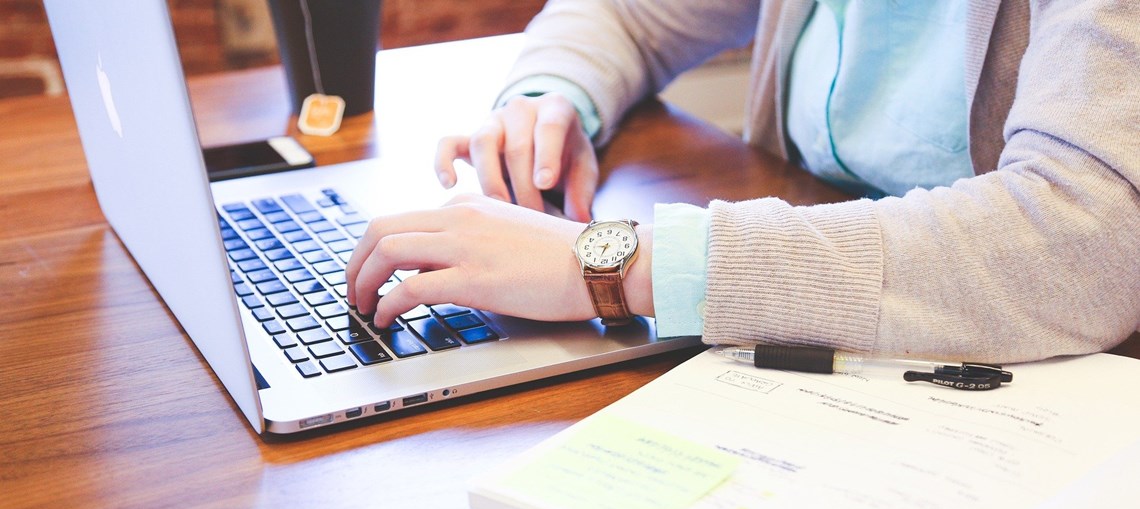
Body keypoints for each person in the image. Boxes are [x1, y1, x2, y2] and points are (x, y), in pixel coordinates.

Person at [346, 0, 1140, 363]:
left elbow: (1083, 238)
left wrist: (608, 264)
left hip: (1017, 360)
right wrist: (550, 98)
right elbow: (628, 14)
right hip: (817, 319)